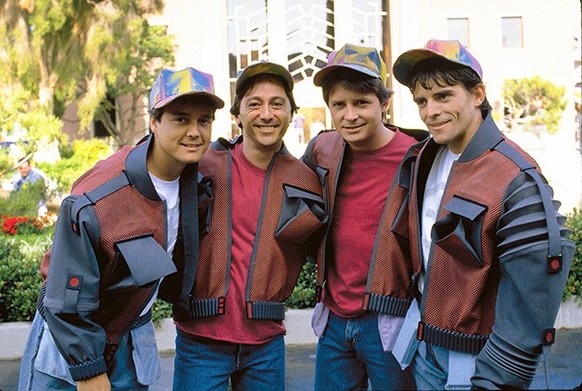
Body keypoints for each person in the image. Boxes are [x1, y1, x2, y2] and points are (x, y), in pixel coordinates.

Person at [18, 66, 225, 390]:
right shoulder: (99, 197)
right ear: (154, 122)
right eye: (181, 119)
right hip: (71, 338)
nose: (195, 132)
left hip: (132, 334)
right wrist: (87, 367)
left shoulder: (196, 181)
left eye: (204, 120)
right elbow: (63, 295)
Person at [391, 39, 574, 389]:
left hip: (476, 362)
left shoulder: (514, 175)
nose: (430, 111)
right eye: (421, 101)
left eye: (443, 96)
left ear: (477, 94)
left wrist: (496, 377)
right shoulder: (424, 159)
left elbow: (532, 295)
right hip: (424, 349)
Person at [172, 61, 328, 390]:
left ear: (291, 112)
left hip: (266, 347)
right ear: (237, 113)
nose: (266, 114)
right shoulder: (201, 166)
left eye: (277, 104)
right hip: (201, 343)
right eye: (254, 104)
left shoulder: (306, 180)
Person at [301, 43, 428, 390]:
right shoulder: (322, 150)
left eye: (361, 103)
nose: (349, 115)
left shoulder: (419, 157)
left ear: (384, 103)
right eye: (339, 105)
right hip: (334, 318)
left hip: (391, 319)